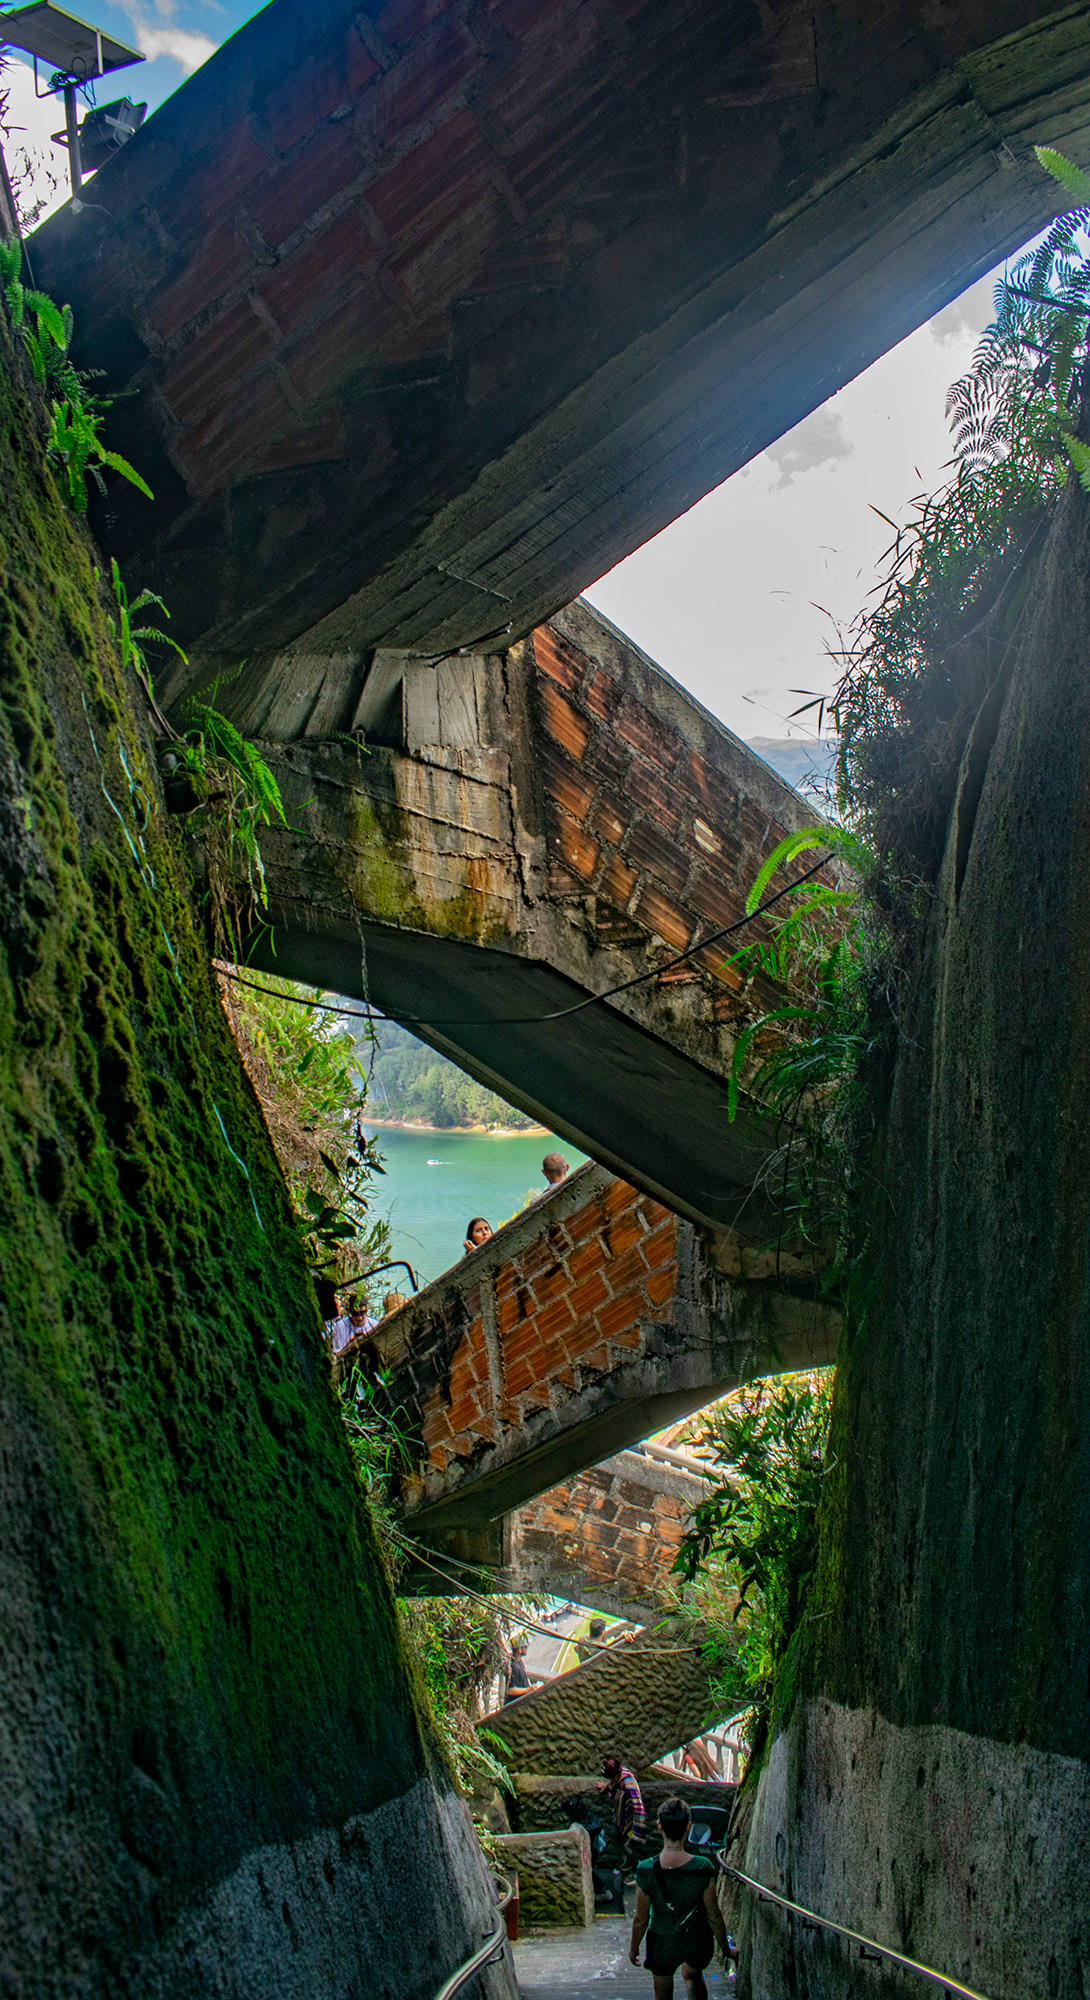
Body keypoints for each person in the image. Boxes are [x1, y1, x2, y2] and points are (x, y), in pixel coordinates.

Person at [629, 1796, 729, 2000]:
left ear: (659, 1826)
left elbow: (640, 1919)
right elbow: (714, 1916)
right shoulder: (703, 1867)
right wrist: (725, 1948)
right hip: (696, 1939)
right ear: (688, 1827)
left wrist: (634, 1948)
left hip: (661, 1941)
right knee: (693, 1974)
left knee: (663, 1994)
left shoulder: (646, 1870)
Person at [599, 1755, 646, 1866]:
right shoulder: (619, 1776)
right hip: (621, 1819)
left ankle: (632, 1867)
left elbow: (637, 1805)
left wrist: (637, 1827)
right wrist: (606, 1786)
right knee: (620, 1839)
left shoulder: (629, 1784)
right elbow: (614, 1785)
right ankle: (626, 1862)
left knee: (628, 1844)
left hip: (631, 1821)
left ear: (616, 1775)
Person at [503, 1634, 547, 1703]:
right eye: (525, 1647)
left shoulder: (519, 1662)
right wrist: (528, 1690)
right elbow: (510, 1691)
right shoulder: (514, 1667)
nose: (527, 1649)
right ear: (520, 1650)